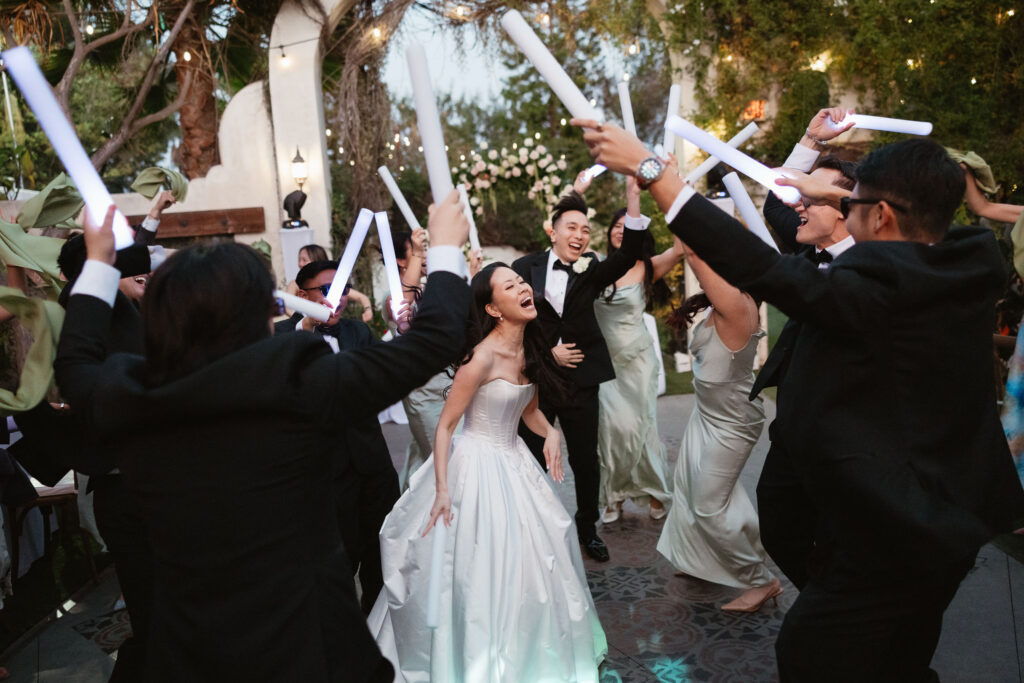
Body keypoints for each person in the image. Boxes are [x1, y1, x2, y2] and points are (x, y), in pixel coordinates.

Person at [577, 118, 1024, 681]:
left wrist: (654, 172)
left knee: (810, 656)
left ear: (880, 215)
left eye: (854, 201)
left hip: (895, 531)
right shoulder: (969, 257)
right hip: (945, 520)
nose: (841, 207)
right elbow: (894, 223)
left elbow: (760, 267)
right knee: (901, 656)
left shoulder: (875, 292)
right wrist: (838, 192)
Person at [55, 190, 472, 682]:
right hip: (310, 651)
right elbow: (434, 339)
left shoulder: (134, 396)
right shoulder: (297, 380)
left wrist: (99, 264)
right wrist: (444, 248)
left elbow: (76, 363)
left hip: (193, 657)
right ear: (260, 313)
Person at [368, 262, 607, 682]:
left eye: (521, 282)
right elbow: (444, 427)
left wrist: (551, 433)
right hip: (474, 466)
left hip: (515, 461)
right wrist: (442, 489)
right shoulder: (480, 358)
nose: (522, 288)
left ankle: (531, 653)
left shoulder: (528, 348)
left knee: (538, 560)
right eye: (509, 286)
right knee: (478, 568)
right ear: (494, 308)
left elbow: (527, 407)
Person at [512, 190, 648, 562]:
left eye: (586, 230)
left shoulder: (591, 269)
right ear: (552, 232)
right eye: (571, 227)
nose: (580, 235)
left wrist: (632, 197)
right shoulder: (524, 268)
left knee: (586, 461)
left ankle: (588, 529)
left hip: (581, 382)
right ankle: (531, 528)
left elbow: (629, 253)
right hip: (538, 383)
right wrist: (546, 354)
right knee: (531, 456)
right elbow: (509, 322)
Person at [754, 147, 859, 589]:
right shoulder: (805, 256)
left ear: (844, 211)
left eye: (813, 195)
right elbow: (776, 202)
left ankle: (836, 617)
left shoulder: (879, 262)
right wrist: (810, 145)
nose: (801, 203)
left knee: (840, 535)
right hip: (793, 429)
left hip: (847, 436)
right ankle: (823, 598)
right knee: (776, 520)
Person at [657, 242, 779, 612]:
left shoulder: (739, 306)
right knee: (689, 485)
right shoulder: (718, 304)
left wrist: (678, 209)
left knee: (710, 505)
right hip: (706, 413)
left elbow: (696, 254)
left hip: (732, 421)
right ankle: (697, 559)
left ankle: (761, 581)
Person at [275, 258, 399, 614]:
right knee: (335, 563)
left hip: (372, 462)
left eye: (343, 290)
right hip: (322, 471)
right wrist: (308, 325)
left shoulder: (357, 332)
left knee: (383, 554)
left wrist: (401, 331)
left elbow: (387, 372)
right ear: (302, 295)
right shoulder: (281, 338)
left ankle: (378, 629)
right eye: (327, 291)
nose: (339, 299)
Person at [593, 178, 681, 523]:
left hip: (639, 362)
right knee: (611, 430)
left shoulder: (648, 267)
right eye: (614, 227)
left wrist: (674, 202)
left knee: (642, 427)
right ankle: (612, 497)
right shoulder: (596, 267)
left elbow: (682, 248)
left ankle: (656, 490)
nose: (618, 231)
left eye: (624, 226)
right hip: (606, 364)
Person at [284, 243, 373, 323]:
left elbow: (362, 297)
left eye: (304, 260)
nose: (300, 264)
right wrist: (304, 323)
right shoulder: (295, 284)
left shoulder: (332, 284)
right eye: (299, 260)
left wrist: (368, 310)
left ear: (316, 260)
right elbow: (286, 307)